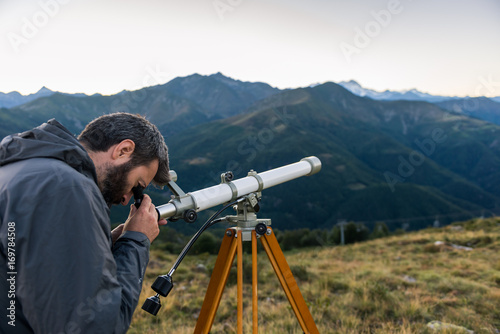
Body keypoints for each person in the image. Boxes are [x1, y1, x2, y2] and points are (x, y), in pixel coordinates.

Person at [0, 113, 170, 333]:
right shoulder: (66, 188)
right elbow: (91, 326)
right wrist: (136, 242)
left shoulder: (26, 169)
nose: (127, 198)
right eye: (137, 186)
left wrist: (103, 243)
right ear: (123, 150)